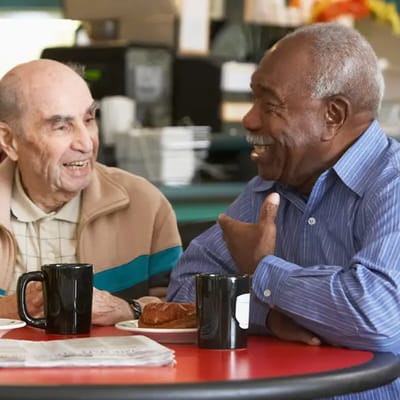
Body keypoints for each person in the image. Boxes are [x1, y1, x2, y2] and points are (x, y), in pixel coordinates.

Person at [167, 22, 400, 399]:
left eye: (269, 104)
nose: (249, 119)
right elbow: (184, 289)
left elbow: (380, 317)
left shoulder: (392, 185)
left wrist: (262, 270)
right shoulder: (269, 187)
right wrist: (271, 318)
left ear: (333, 116)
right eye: (252, 99)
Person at [0, 59, 182, 325]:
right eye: (61, 126)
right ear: (9, 141)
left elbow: (184, 308)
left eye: (89, 119)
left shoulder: (146, 204)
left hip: (116, 367)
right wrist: (5, 309)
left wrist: (128, 309)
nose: (86, 142)